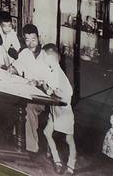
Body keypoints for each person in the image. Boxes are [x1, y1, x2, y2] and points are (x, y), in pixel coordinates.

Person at [13, 24, 52, 153]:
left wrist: (38, 82)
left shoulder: (47, 55)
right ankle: (17, 138)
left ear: (38, 38)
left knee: (28, 107)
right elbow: (16, 67)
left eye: (33, 39)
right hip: (26, 91)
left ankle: (31, 147)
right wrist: (12, 69)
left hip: (42, 95)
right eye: (27, 40)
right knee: (15, 101)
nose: (30, 43)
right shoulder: (24, 53)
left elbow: (51, 80)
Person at [42, 43, 76, 175]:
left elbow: (66, 93)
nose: (43, 59)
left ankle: (71, 165)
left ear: (51, 59)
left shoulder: (58, 73)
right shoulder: (52, 70)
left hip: (64, 112)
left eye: (44, 57)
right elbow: (48, 87)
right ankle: (57, 161)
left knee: (69, 139)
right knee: (47, 132)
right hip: (54, 110)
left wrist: (51, 90)